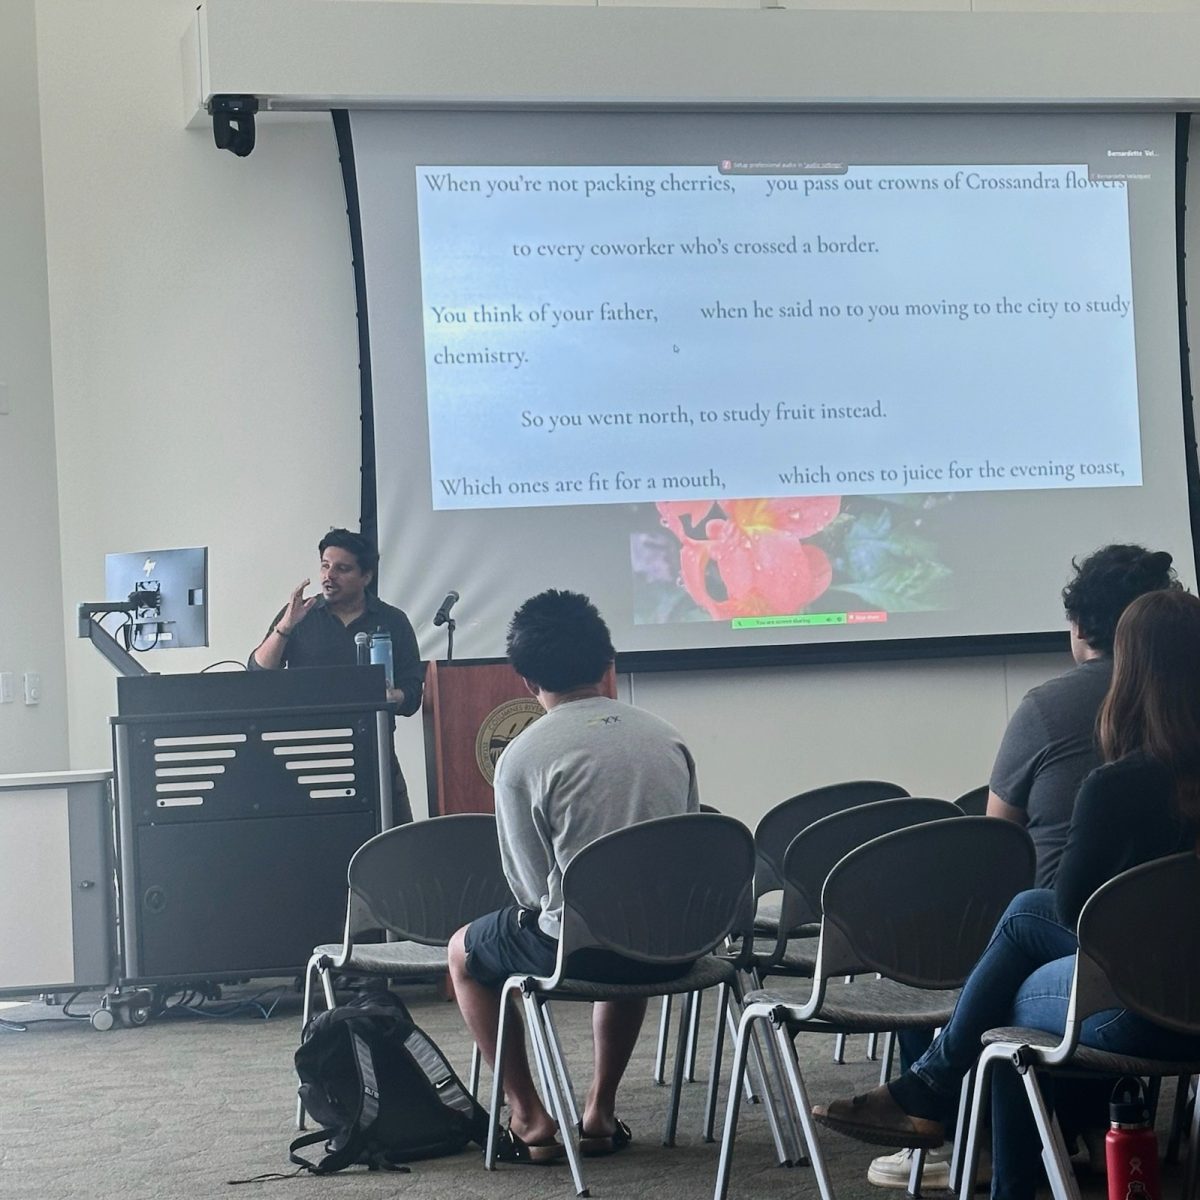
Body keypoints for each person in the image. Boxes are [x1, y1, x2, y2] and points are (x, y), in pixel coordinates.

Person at [815, 588, 1200, 1200]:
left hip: (1143, 1014)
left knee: (1009, 988)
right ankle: (935, 1093)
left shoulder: (1116, 786)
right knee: (1022, 925)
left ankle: (939, 1096)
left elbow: (1076, 911)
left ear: (1131, 675)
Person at [447, 589, 699, 1164]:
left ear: (526, 677)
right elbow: (687, 847)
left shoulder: (523, 755)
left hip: (579, 952)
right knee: (629, 917)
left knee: (464, 952)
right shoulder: (666, 737)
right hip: (671, 946)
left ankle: (530, 1117)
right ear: (606, 661)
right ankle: (599, 1112)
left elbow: (532, 893)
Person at [248, 527, 424, 823]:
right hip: (306, 756)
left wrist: (394, 696)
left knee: (395, 849)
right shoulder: (300, 615)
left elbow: (414, 692)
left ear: (365, 577)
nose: (329, 576)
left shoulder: (393, 620)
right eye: (325, 566)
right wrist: (286, 626)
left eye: (342, 569)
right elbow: (258, 672)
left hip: (374, 754)